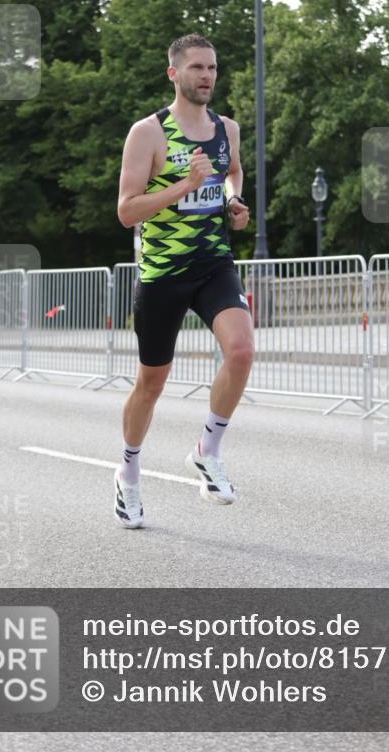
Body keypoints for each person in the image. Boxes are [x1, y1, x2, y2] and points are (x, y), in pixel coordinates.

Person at [115, 34, 254, 528]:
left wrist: (233, 202)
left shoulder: (226, 129)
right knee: (151, 383)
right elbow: (127, 211)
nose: (207, 76)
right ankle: (128, 475)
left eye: (212, 68)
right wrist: (185, 186)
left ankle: (206, 449)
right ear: (173, 73)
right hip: (163, 273)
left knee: (240, 350)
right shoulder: (147, 133)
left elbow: (232, 173)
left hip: (213, 263)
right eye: (196, 67)